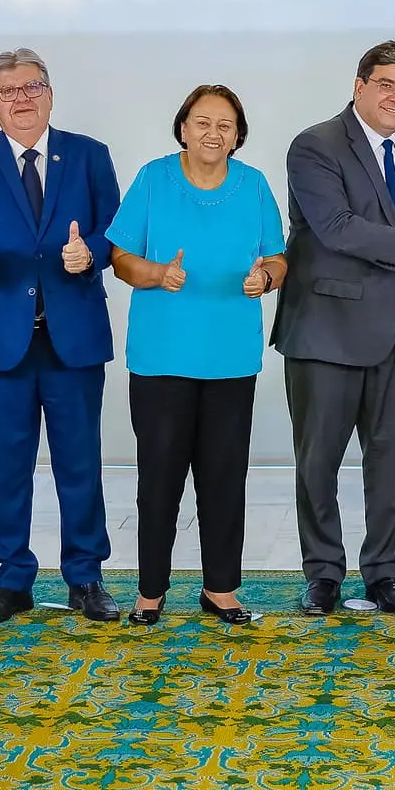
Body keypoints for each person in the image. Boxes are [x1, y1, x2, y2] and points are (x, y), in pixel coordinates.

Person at [0, 48, 123, 626]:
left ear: (50, 92)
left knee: (80, 460)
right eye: (9, 92)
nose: (21, 99)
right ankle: (12, 578)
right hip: (2, 336)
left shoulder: (89, 155)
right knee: (7, 461)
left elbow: (114, 231)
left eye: (32, 87)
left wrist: (89, 251)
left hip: (73, 336)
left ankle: (85, 576)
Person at [108, 86, 287, 625]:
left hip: (231, 357)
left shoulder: (253, 185)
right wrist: (158, 274)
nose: (214, 133)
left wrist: (265, 278)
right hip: (162, 356)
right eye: (203, 122)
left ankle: (221, 589)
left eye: (226, 125)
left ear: (238, 135)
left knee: (224, 477)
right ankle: (149, 594)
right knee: (159, 477)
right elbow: (119, 258)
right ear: (183, 127)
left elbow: (278, 258)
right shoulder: (153, 179)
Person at [273, 41, 395, 617]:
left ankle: (384, 572)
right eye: (386, 85)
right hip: (326, 329)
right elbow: (338, 227)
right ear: (359, 85)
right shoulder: (315, 145)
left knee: (393, 462)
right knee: (318, 460)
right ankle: (322, 574)